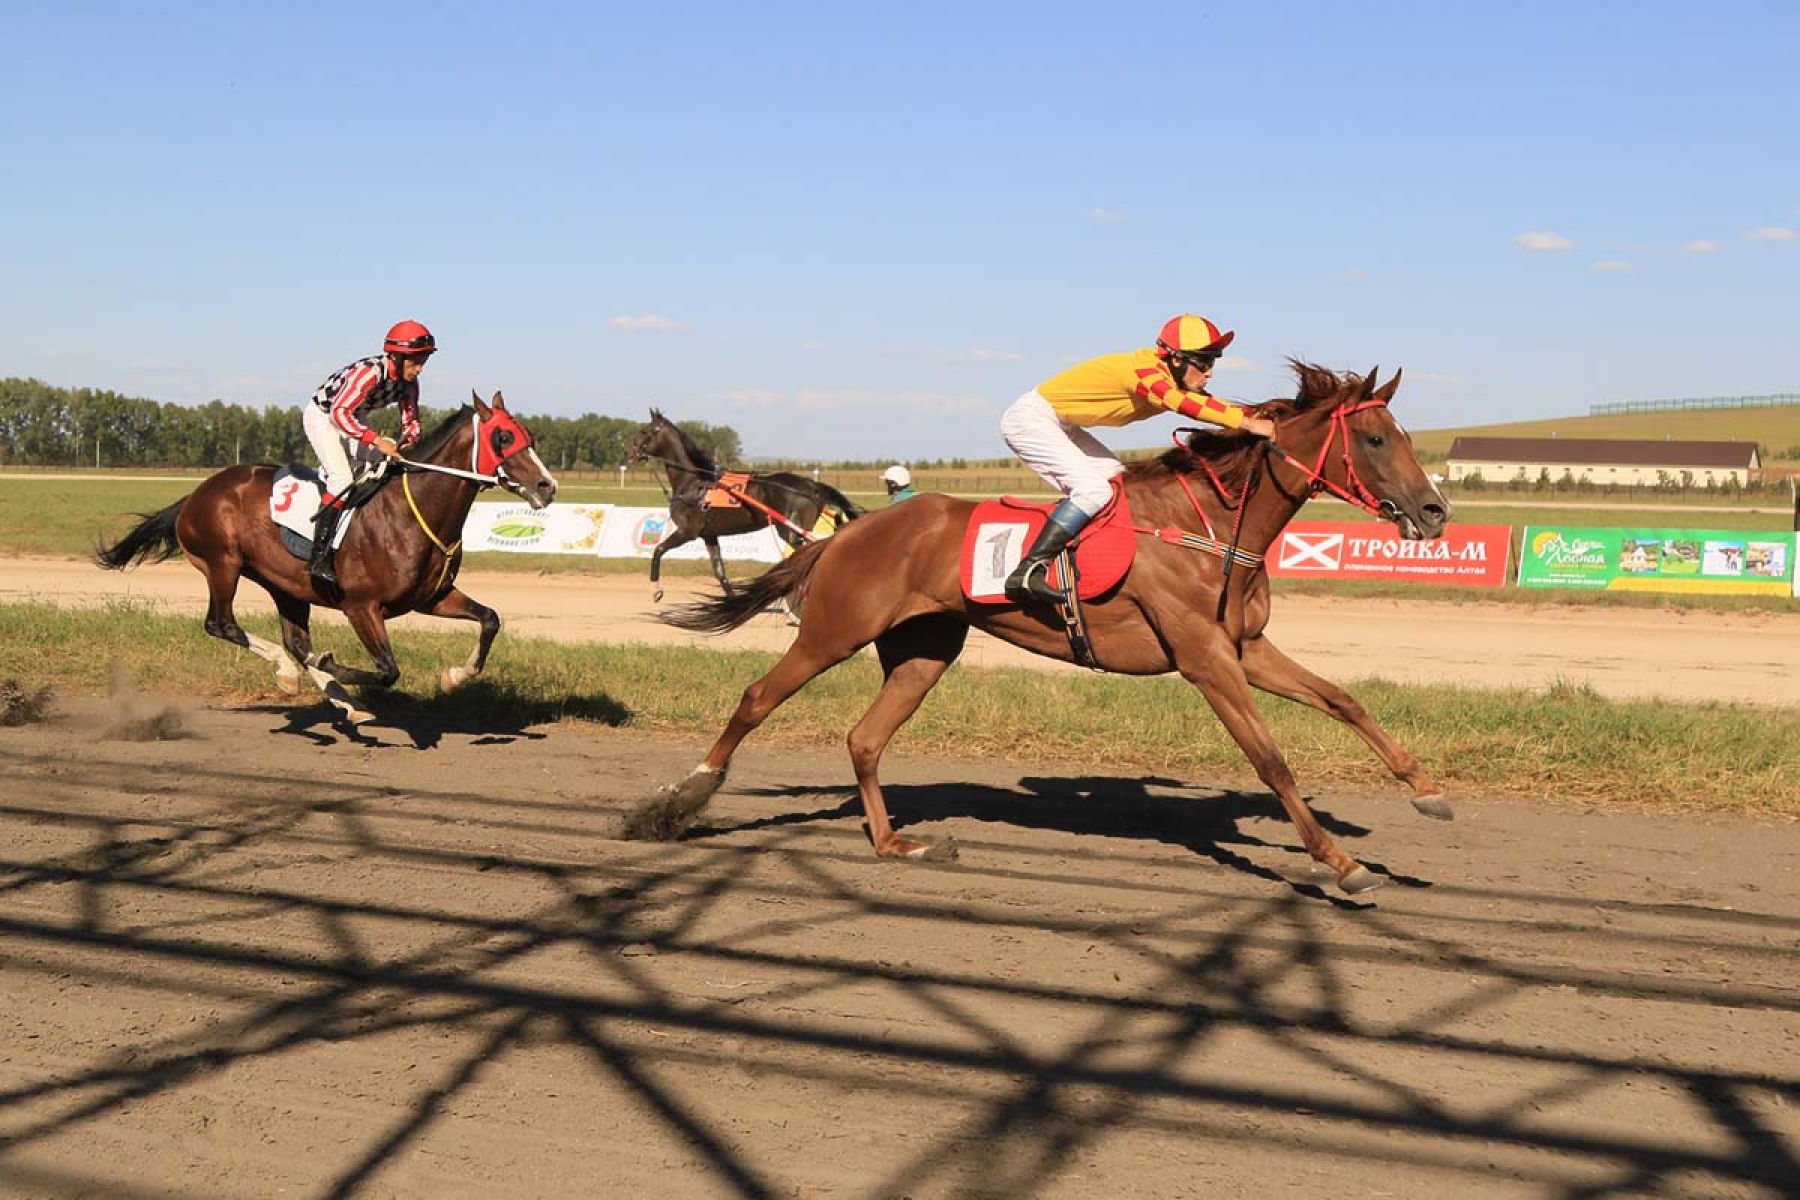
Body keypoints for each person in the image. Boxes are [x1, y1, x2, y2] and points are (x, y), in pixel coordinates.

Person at [998, 313, 1277, 602]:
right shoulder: (1146, 371)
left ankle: (1086, 558)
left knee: (1120, 484)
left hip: (1062, 424)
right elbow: (1178, 403)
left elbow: (1211, 404)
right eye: (1204, 362)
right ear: (1176, 359)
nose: (1210, 372)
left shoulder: (1171, 376)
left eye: (1213, 363)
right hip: (1030, 420)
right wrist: (1248, 424)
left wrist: (1269, 419)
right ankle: (1029, 570)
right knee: (1094, 490)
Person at [300, 320, 435, 588]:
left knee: (387, 466)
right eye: (414, 361)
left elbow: (411, 420)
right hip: (324, 417)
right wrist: (376, 440)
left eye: (423, 360)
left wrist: (409, 441)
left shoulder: (410, 384)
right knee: (341, 477)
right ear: (395, 357)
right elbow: (339, 413)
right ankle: (318, 556)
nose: (419, 368)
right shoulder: (368, 373)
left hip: (353, 417)